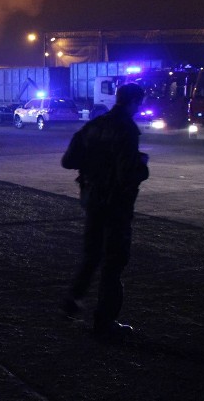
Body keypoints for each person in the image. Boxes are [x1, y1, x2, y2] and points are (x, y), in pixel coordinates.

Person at [60, 83, 150, 340]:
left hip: (92, 200)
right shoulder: (126, 129)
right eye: (140, 102)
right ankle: (105, 321)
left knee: (91, 256)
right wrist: (142, 166)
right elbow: (126, 175)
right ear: (133, 101)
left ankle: (71, 301)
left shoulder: (95, 125)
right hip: (116, 206)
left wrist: (94, 164)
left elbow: (68, 161)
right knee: (113, 262)